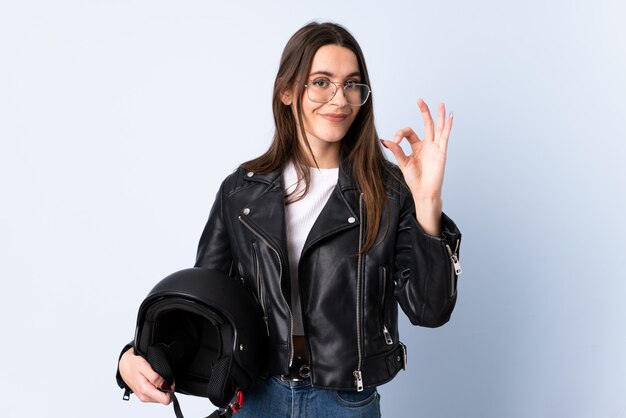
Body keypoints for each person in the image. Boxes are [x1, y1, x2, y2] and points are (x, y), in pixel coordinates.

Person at [117, 21, 461, 417]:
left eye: (352, 84)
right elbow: (205, 307)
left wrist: (428, 201)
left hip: (346, 403)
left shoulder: (389, 191)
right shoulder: (240, 192)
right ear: (287, 91)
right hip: (257, 395)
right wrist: (132, 355)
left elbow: (430, 310)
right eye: (321, 82)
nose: (339, 98)